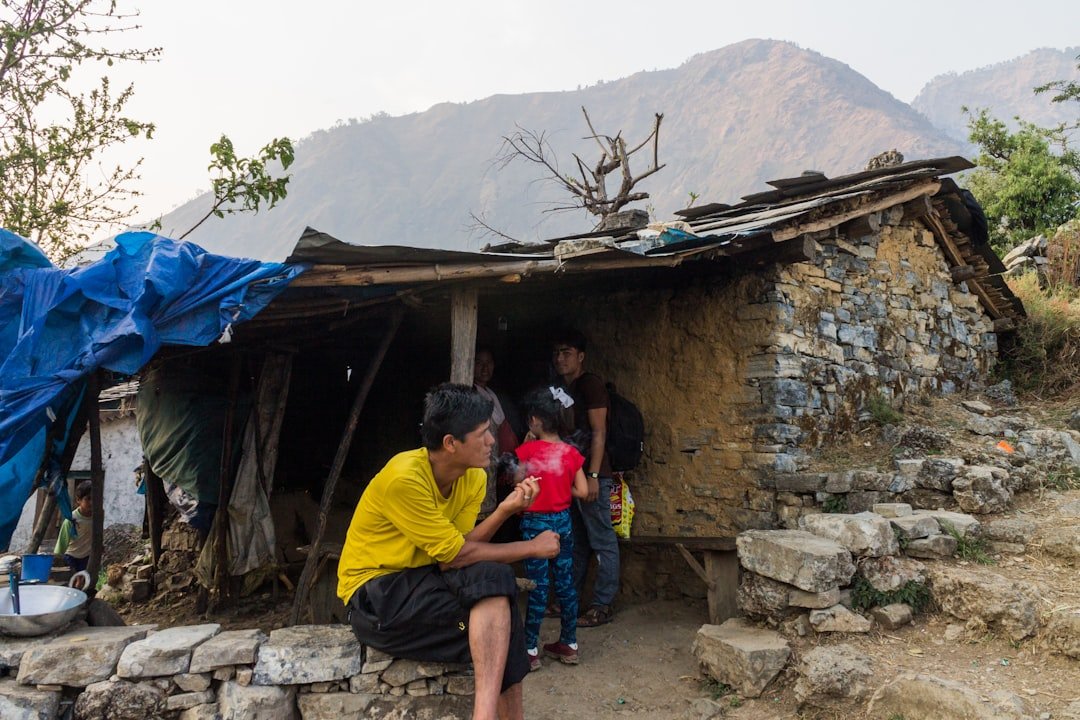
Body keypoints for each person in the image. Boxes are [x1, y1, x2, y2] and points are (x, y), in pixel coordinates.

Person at [337, 383, 560, 720]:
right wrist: (531, 547)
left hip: (424, 579)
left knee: (498, 590)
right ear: (450, 443)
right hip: (377, 594)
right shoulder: (405, 478)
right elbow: (455, 558)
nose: (492, 442)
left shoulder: (473, 478)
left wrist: (504, 511)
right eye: (483, 433)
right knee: (500, 606)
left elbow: (459, 550)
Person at [514, 387, 588, 670]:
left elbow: (518, 484)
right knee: (566, 585)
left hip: (535, 525)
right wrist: (561, 485)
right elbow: (582, 490)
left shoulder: (528, 450)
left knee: (538, 587)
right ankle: (569, 644)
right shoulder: (571, 452)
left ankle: (530, 649)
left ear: (535, 420)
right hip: (563, 524)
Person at [552, 329, 619, 628]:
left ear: (581, 357)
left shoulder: (590, 384)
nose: (560, 358)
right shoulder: (564, 390)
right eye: (557, 353)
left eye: (567, 353)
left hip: (592, 475)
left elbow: (599, 432)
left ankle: (601, 606)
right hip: (573, 476)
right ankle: (570, 600)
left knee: (602, 540)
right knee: (577, 541)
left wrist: (592, 475)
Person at [474, 347, 521, 518]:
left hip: (493, 467)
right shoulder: (470, 393)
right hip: (477, 466)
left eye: (489, 363)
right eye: (479, 362)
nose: (485, 368)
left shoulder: (491, 394)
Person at [54, 480, 93, 577]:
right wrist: (56, 559)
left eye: (94, 498)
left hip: (87, 558)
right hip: (71, 557)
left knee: (85, 582)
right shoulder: (71, 519)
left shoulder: (97, 518)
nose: (91, 502)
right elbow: (62, 542)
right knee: (71, 582)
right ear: (78, 500)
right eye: (88, 499)